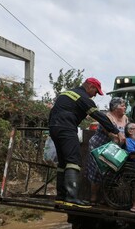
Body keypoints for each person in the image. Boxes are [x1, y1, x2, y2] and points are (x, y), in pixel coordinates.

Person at [49, 77, 125, 208]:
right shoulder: (83, 97)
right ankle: (72, 198)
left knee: (63, 162)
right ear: (90, 86)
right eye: (96, 92)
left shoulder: (67, 93)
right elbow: (99, 116)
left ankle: (61, 197)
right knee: (74, 161)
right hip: (66, 129)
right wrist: (115, 130)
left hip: (54, 128)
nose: (95, 95)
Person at [86, 97, 129, 205]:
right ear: (115, 108)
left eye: (124, 105)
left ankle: (105, 198)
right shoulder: (107, 117)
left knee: (111, 173)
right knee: (98, 171)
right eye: (122, 105)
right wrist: (117, 138)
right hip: (100, 146)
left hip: (115, 148)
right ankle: (93, 197)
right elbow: (110, 134)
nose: (125, 107)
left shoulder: (126, 118)